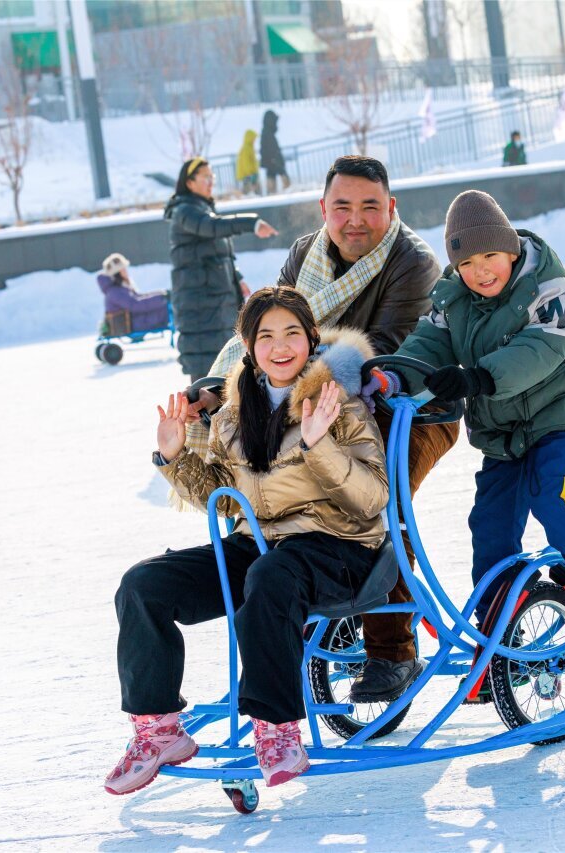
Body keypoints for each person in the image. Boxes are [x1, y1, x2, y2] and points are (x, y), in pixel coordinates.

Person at [192, 154, 458, 704]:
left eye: (370, 207)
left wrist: (293, 383)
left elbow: (382, 352)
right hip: (313, 402)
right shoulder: (304, 254)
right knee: (280, 491)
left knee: (376, 502)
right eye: (342, 207)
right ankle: (290, 610)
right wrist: (227, 388)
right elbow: (270, 329)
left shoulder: (413, 263)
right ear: (323, 209)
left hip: (407, 407)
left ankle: (393, 651)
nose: (355, 220)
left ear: (392, 208)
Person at [108, 287, 388, 795]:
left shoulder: (338, 402)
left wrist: (318, 444)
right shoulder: (236, 413)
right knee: (143, 585)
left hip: (340, 548)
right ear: (248, 346)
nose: (280, 347)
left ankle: (277, 730)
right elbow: (226, 499)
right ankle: (158, 731)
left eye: (292, 334)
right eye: (266, 336)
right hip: (261, 545)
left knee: (270, 575)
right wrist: (174, 458)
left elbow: (371, 499)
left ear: (311, 338)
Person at [380, 190, 565, 645]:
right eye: (467, 263)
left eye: (490, 257)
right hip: (506, 429)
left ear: (511, 250)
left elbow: (540, 348)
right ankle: (502, 621)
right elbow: (427, 343)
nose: (480, 271)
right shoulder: (453, 297)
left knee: (550, 487)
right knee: (490, 525)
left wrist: (477, 378)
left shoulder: (546, 285)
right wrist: (394, 377)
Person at [163, 156, 277, 381]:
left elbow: (217, 252)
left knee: (227, 367)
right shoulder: (184, 211)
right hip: (200, 308)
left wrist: (237, 277)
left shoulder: (201, 208)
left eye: (212, 176)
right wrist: (252, 223)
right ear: (190, 182)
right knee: (208, 372)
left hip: (216, 303)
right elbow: (212, 227)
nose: (211, 181)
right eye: (205, 177)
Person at [97, 253, 169, 333]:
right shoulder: (115, 292)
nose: (126, 271)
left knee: (167, 308)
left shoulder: (120, 288)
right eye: (123, 269)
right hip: (131, 325)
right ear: (117, 273)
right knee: (167, 310)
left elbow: (139, 296)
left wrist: (161, 294)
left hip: (134, 321)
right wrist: (162, 299)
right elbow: (135, 305)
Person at [260, 110, 291, 194]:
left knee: (271, 179)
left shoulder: (267, 133)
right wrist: (275, 160)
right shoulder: (267, 134)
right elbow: (271, 150)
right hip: (274, 162)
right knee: (282, 180)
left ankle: (274, 194)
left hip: (272, 162)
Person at [235, 129, 260, 195]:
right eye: (253, 138)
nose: (254, 140)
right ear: (250, 138)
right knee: (248, 190)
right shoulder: (246, 148)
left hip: (251, 173)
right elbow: (246, 163)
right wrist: (250, 172)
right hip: (247, 174)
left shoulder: (250, 147)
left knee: (254, 190)